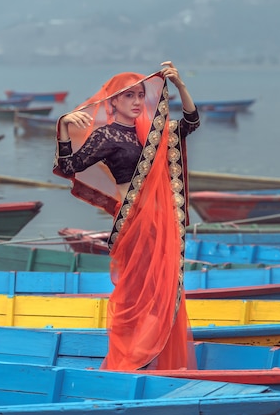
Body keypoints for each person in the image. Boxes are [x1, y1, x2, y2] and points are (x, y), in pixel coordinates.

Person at [53, 61, 200, 371]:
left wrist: (180, 86)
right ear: (113, 102)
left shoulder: (155, 133)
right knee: (134, 294)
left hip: (163, 224)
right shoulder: (106, 137)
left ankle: (151, 357)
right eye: (129, 96)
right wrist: (64, 126)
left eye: (140, 95)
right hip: (133, 223)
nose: (136, 102)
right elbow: (68, 167)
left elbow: (190, 123)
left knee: (162, 291)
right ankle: (129, 359)